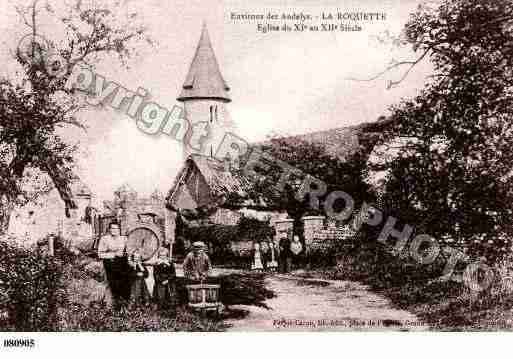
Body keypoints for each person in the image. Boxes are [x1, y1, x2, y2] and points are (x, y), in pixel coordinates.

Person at [98, 222, 129, 308]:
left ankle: (124, 305)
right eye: (112, 228)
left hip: (122, 264)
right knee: (112, 284)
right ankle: (112, 305)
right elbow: (100, 254)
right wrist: (114, 254)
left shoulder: (124, 239)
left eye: (116, 229)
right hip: (110, 263)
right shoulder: (105, 239)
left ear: (119, 230)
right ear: (109, 230)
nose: (114, 230)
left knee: (124, 283)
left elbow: (128, 251)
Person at [153, 248, 177, 313]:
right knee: (160, 294)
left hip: (169, 281)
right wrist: (161, 280)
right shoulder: (156, 264)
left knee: (171, 294)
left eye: (164, 255)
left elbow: (173, 274)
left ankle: (170, 308)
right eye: (161, 255)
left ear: (167, 256)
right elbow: (155, 274)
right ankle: (160, 307)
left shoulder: (170, 263)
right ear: (159, 256)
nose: (162, 257)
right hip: (160, 281)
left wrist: (168, 280)